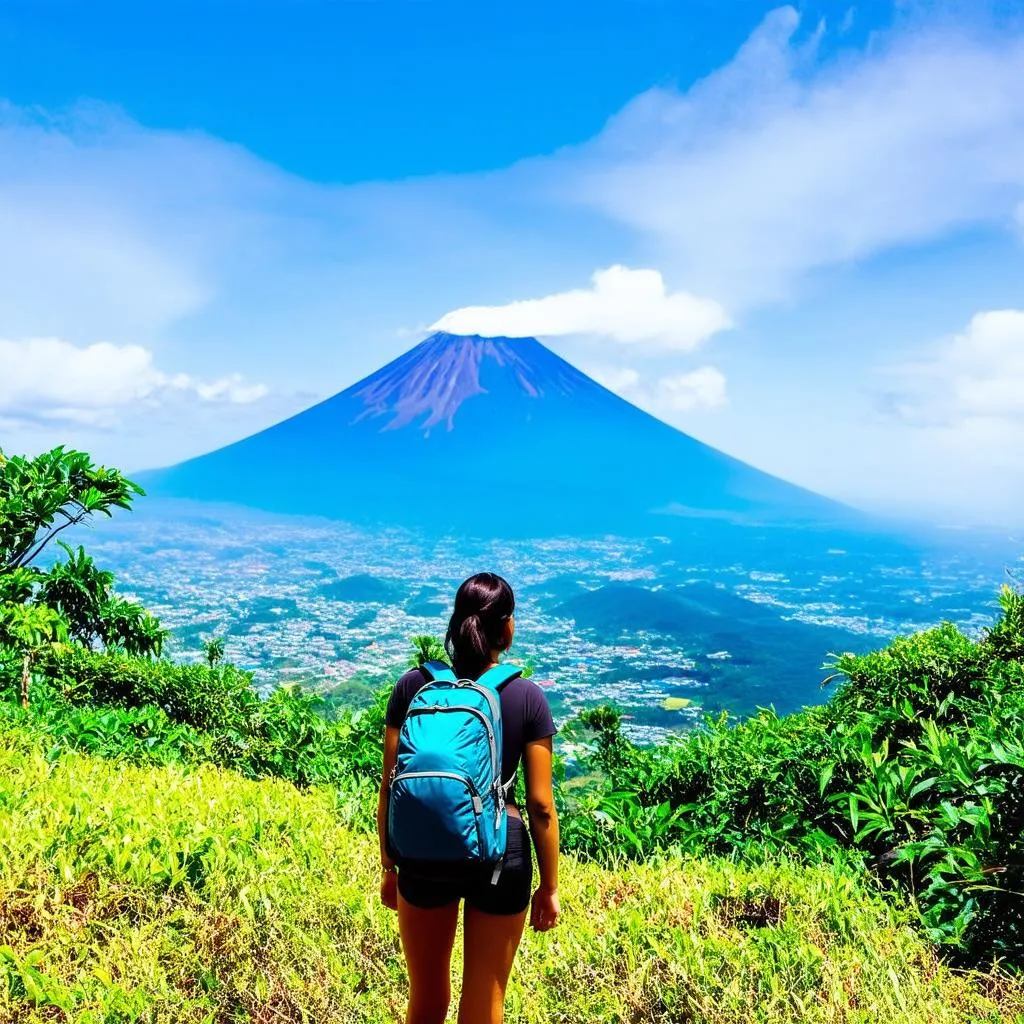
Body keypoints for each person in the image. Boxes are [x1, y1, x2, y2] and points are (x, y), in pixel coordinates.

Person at [377, 572, 560, 1024]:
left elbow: (390, 786)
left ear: (456, 623)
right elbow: (540, 806)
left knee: (425, 999)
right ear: (507, 628)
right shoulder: (527, 696)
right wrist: (550, 887)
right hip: (501, 855)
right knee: (484, 1002)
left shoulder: (413, 686)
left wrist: (388, 866)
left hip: (422, 850)